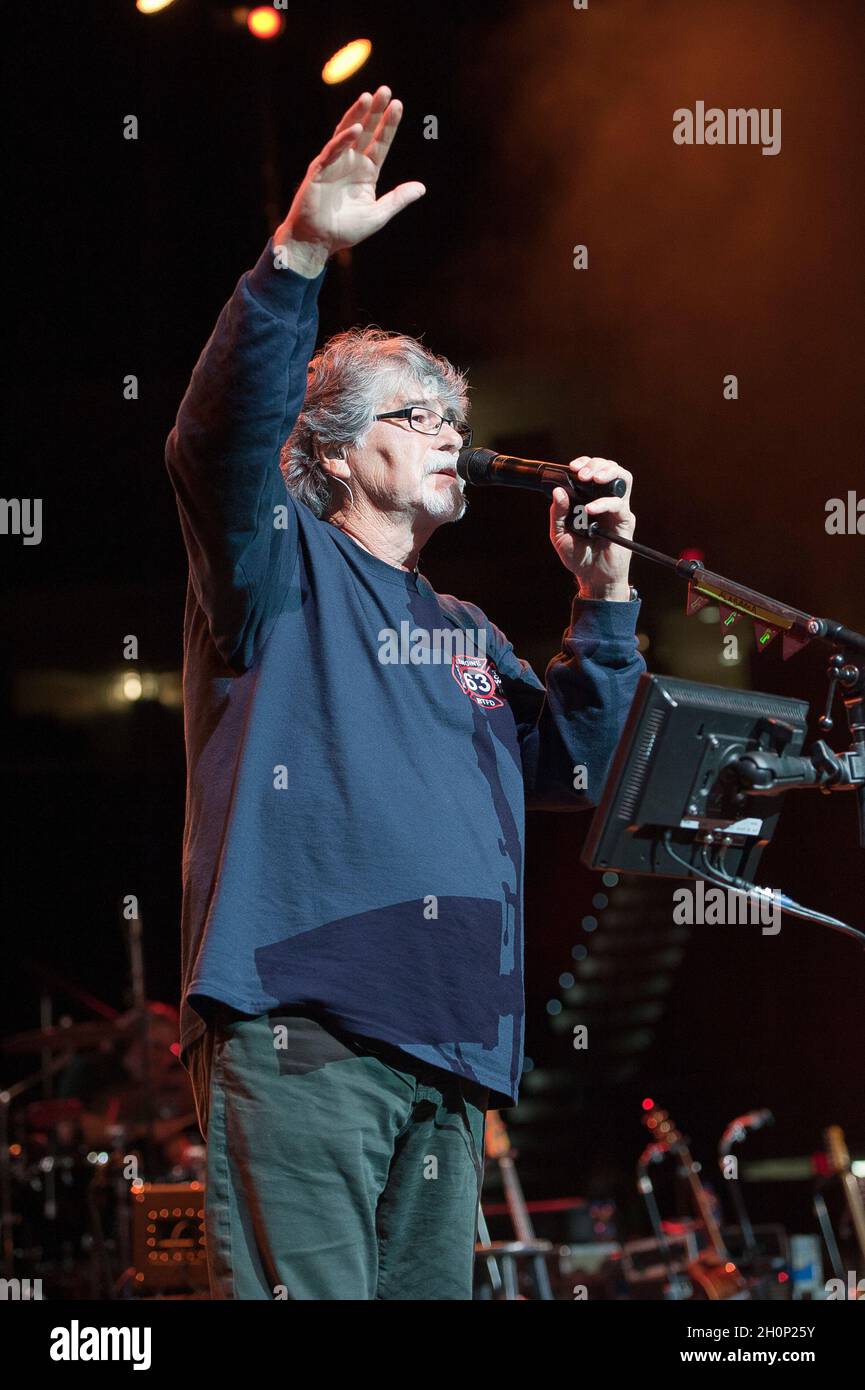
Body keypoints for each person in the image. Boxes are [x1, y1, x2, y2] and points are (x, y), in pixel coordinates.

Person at [165, 85, 646, 1300]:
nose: (447, 433)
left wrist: (602, 599)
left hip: (451, 1054)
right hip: (303, 1028)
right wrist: (299, 256)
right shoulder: (278, 561)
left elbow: (580, 774)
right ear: (329, 449)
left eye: (456, 417)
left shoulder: (469, 632)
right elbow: (212, 442)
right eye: (412, 414)